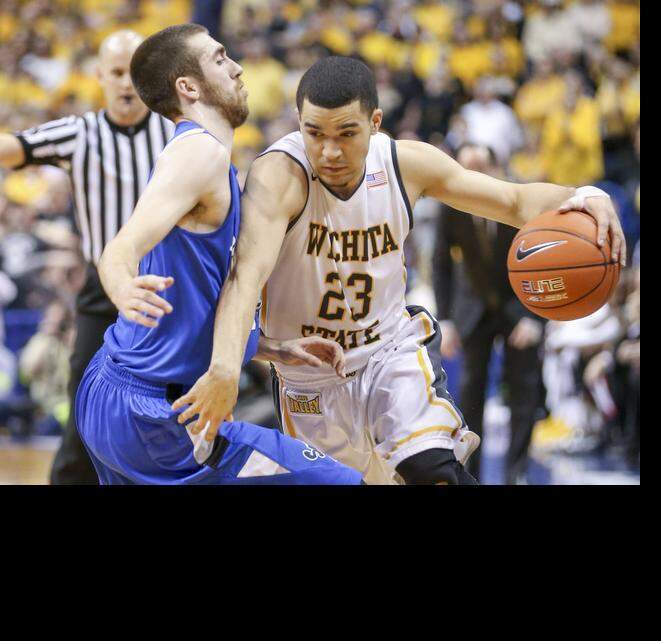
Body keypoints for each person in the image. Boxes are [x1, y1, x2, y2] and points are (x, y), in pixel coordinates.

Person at [175, 55, 625, 485]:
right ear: (298, 122)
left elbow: (512, 201)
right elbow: (245, 278)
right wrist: (224, 371)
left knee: (434, 470)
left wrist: (587, 194)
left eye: (346, 134)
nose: (329, 151)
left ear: (375, 123)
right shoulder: (279, 176)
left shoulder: (404, 163)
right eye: (314, 133)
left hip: (389, 350)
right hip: (310, 377)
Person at [75, 24, 362, 485]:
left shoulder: (209, 159)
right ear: (187, 87)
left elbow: (196, 302)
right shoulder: (199, 154)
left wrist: (270, 348)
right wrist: (124, 285)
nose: (238, 67)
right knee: (339, 481)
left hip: (118, 396)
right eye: (220, 58)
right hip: (153, 412)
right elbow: (120, 248)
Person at [0, 30, 177, 484]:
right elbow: (12, 148)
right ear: (99, 76)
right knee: (84, 407)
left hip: (170, 287)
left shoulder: (178, 134)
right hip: (103, 292)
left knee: (174, 411)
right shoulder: (80, 132)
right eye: (116, 73)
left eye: (135, 73)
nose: (125, 83)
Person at [433, 143, 544, 483]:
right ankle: (471, 474)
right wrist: (447, 320)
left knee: (524, 390)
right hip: (473, 308)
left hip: (518, 306)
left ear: (496, 168)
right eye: (466, 168)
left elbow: (544, 260)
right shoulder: (452, 204)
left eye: (480, 166)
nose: (473, 175)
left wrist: (535, 317)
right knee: (470, 392)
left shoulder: (519, 199)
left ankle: (517, 473)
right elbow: (440, 263)